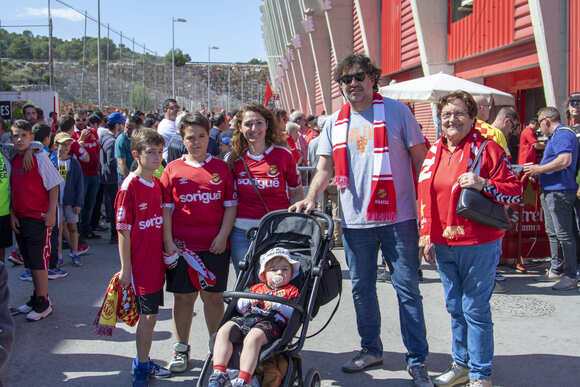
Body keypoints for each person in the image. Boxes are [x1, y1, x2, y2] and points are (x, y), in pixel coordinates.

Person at [289, 53, 432, 386]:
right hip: (355, 222)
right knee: (362, 290)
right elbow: (325, 168)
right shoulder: (334, 122)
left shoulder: (398, 113)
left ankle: (417, 358)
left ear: (373, 79)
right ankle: (371, 349)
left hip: (400, 220)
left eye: (358, 77)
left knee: (407, 289)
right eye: (346, 79)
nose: (352, 84)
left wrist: (430, 212)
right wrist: (310, 197)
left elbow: (422, 161)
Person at [417, 91, 522, 387]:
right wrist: (426, 236)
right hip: (443, 243)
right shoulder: (434, 151)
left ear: (473, 118)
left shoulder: (486, 149)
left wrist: (483, 183)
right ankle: (461, 365)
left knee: (474, 308)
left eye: (460, 113)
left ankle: (480, 373)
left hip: (479, 242)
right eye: (447, 114)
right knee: (455, 307)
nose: (452, 119)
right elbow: (425, 196)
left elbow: (513, 190)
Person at [161, 112, 237, 373]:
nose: (196, 142)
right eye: (190, 138)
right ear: (182, 140)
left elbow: (230, 207)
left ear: (208, 137)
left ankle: (216, 349)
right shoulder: (172, 169)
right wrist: (168, 241)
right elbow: (166, 210)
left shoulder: (221, 168)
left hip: (214, 247)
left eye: (201, 136)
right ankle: (181, 348)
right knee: (183, 299)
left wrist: (222, 236)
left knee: (213, 299)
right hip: (182, 249)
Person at [114, 128, 170, 386]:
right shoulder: (129, 186)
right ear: (136, 154)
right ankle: (141, 365)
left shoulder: (156, 184)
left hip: (155, 262)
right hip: (139, 265)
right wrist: (126, 269)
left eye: (159, 152)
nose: (157, 157)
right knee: (147, 317)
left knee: (153, 315)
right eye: (150, 152)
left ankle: (144, 360)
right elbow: (123, 230)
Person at [208, 247, 300, 387]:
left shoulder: (291, 291)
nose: (279, 272)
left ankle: (243, 380)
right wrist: (247, 301)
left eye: (285, 269)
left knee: (253, 337)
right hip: (247, 318)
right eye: (274, 270)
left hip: (270, 324)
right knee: (224, 330)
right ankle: (219, 373)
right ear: (264, 274)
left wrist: (277, 305)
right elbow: (239, 308)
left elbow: (293, 313)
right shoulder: (257, 288)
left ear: (292, 273)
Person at [229, 104, 303, 275]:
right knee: (244, 285)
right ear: (240, 127)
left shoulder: (283, 154)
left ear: (267, 125)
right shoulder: (234, 159)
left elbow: (296, 193)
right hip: (242, 233)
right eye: (248, 124)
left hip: (277, 230)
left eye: (259, 123)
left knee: (276, 284)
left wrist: (296, 227)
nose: (254, 129)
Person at [10, 120, 63, 321]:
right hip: (20, 217)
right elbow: (13, 189)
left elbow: (54, 185)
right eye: (16, 135)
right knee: (30, 261)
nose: (20, 139)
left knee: (39, 262)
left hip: (38, 218)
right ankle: (36, 297)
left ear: (32, 137)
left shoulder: (39, 157)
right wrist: (13, 214)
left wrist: (51, 213)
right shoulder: (13, 157)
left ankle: (43, 303)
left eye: (24, 135)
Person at [523, 107, 579, 291]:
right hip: (552, 190)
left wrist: (538, 170)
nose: (539, 128)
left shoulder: (562, 134)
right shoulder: (556, 136)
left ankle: (570, 275)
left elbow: (565, 160)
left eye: (539, 123)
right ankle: (558, 268)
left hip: (559, 191)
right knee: (554, 232)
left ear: (546, 121)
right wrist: (539, 172)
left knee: (564, 234)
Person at [52, 132, 84, 268]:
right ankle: (59, 256)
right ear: (56, 145)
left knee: (72, 227)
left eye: (68, 144)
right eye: (62, 144)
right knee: (58, 230)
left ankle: (75, 252)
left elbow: (79, 185)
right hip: (56, 202)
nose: (65, 147)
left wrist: (78, 203)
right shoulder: (51, 161)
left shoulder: (74, 163)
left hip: (70, 202)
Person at [100, 112, 125, 243]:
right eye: (122, 124)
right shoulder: (111, 141)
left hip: (107, 179)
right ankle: (115, 235)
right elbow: (111, 161)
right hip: (112, 180)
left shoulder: (104, 137)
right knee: (114, 209)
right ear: (117, 125)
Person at [115, 115, 141, 186]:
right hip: (125, 177)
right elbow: (121, 163)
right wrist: (129, 179)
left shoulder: (138, 138)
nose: (127, 130)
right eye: (126, 127)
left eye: (130, 128)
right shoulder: (121, 140)